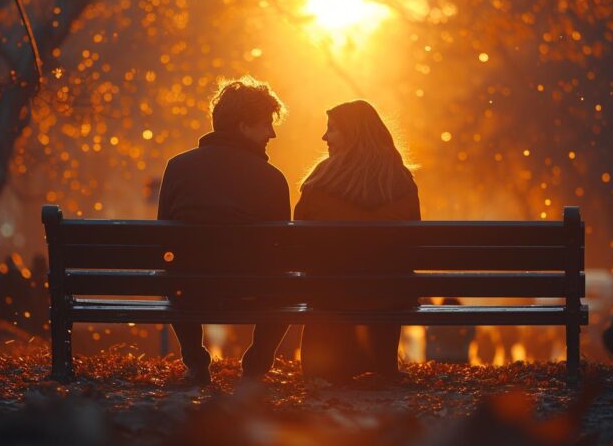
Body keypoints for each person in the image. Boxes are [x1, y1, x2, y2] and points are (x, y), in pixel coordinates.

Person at [157, 76, 290, 385]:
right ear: (243, 126)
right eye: (266, 123)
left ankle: (196, 360)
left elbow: (163, 239)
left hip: (190, 291)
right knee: (289, 284)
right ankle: (258, 362)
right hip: (253, 294)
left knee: (173, 273)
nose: (272, 132)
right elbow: (282, 253)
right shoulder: (272, 179)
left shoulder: (178, 168)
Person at [295, 100, 420, 382]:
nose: (324, 137)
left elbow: (299, 245)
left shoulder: (320, 183)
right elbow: (411, 246)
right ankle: (380, 364)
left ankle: (330, 365)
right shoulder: (401, 182)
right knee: (383, 281)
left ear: (352, 135)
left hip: (329, 294)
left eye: (332, 130)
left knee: (337, 284)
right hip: (389, 295)